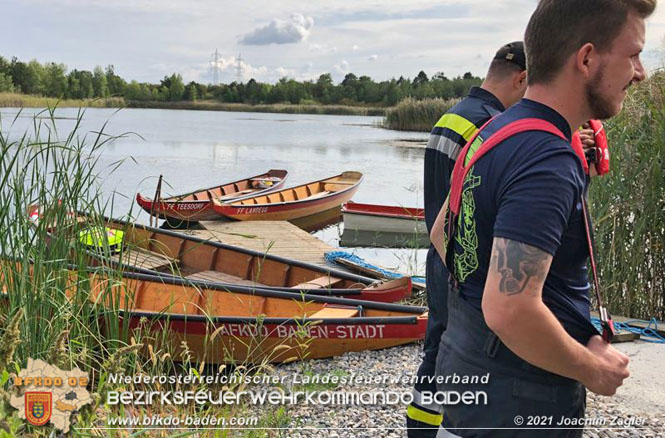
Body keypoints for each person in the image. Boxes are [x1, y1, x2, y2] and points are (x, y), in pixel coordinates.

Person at [430, 0, 655, 436]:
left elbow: (444, 235)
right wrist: (591, 368)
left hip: (469, 380)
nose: (641, 72)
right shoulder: (548, 158)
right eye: (633, 55)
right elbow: (510, 308)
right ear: (586, 58)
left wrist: (568, 329)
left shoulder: (493, 132)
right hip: (518, 406)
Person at [407, 42, 528, 437]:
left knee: (438, 349)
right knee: (467, 356)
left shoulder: (452, 116)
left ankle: (421, 428)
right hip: (467, 265)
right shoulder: (490, 126)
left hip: (439, 254)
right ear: (522, 79)